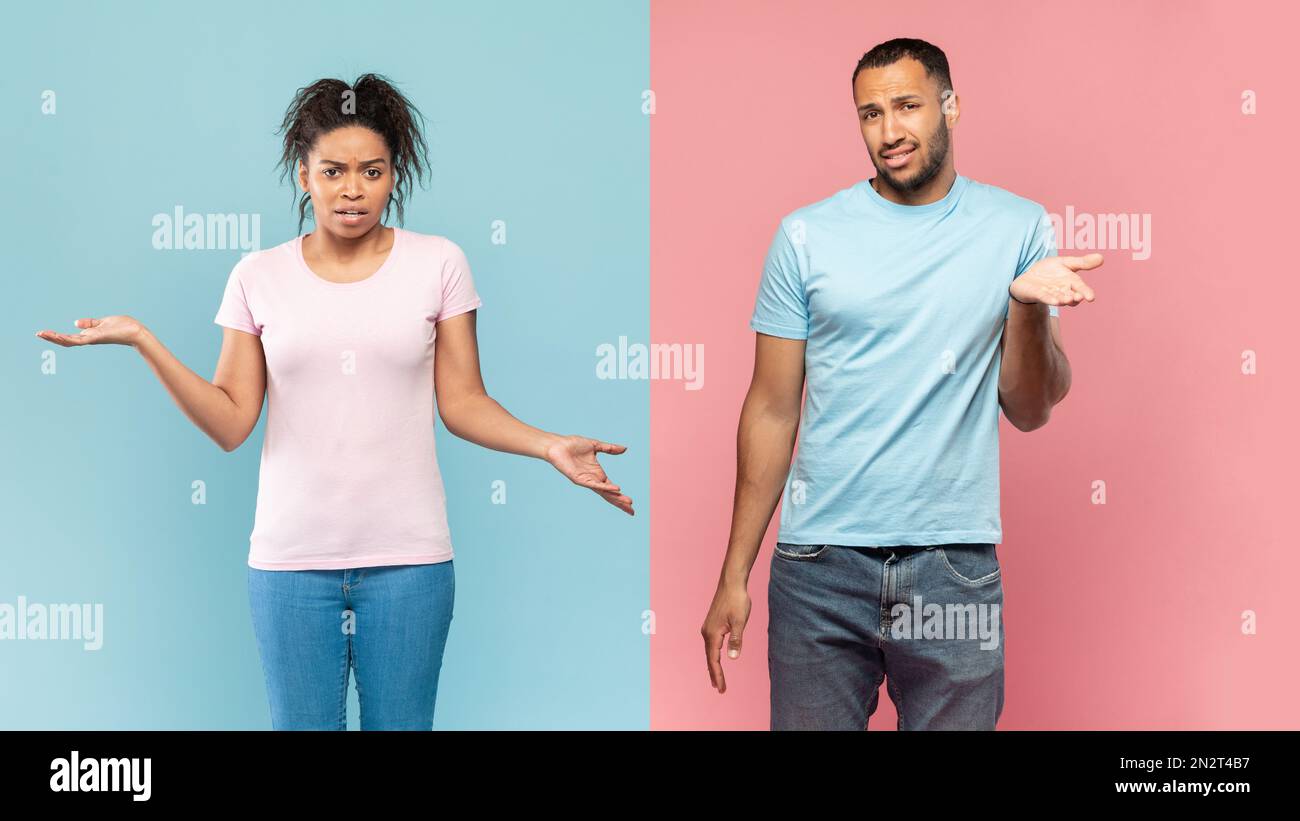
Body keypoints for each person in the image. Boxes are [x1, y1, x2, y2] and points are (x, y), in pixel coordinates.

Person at [34, 73, 634, 731]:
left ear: (394, 174)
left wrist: (548, 444)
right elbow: (232, 420)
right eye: (334, 170)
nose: (353, 188)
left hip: (410, 565)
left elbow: (462, 401)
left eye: (372, 171)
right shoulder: (257, 277)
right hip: (291, 567)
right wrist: (145, 342)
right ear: (303, 175)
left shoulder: (439, 264)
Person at [700, 38, 1099, 730]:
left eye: (908, 107)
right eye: (870, 114)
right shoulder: (805, 236)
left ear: (950, 107)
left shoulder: (1018, 227)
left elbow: (1032, 408)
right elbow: (770, 409)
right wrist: (734, 572)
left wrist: (1026, 309)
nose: (889, 132)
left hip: (954, 567)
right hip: (819, 568)